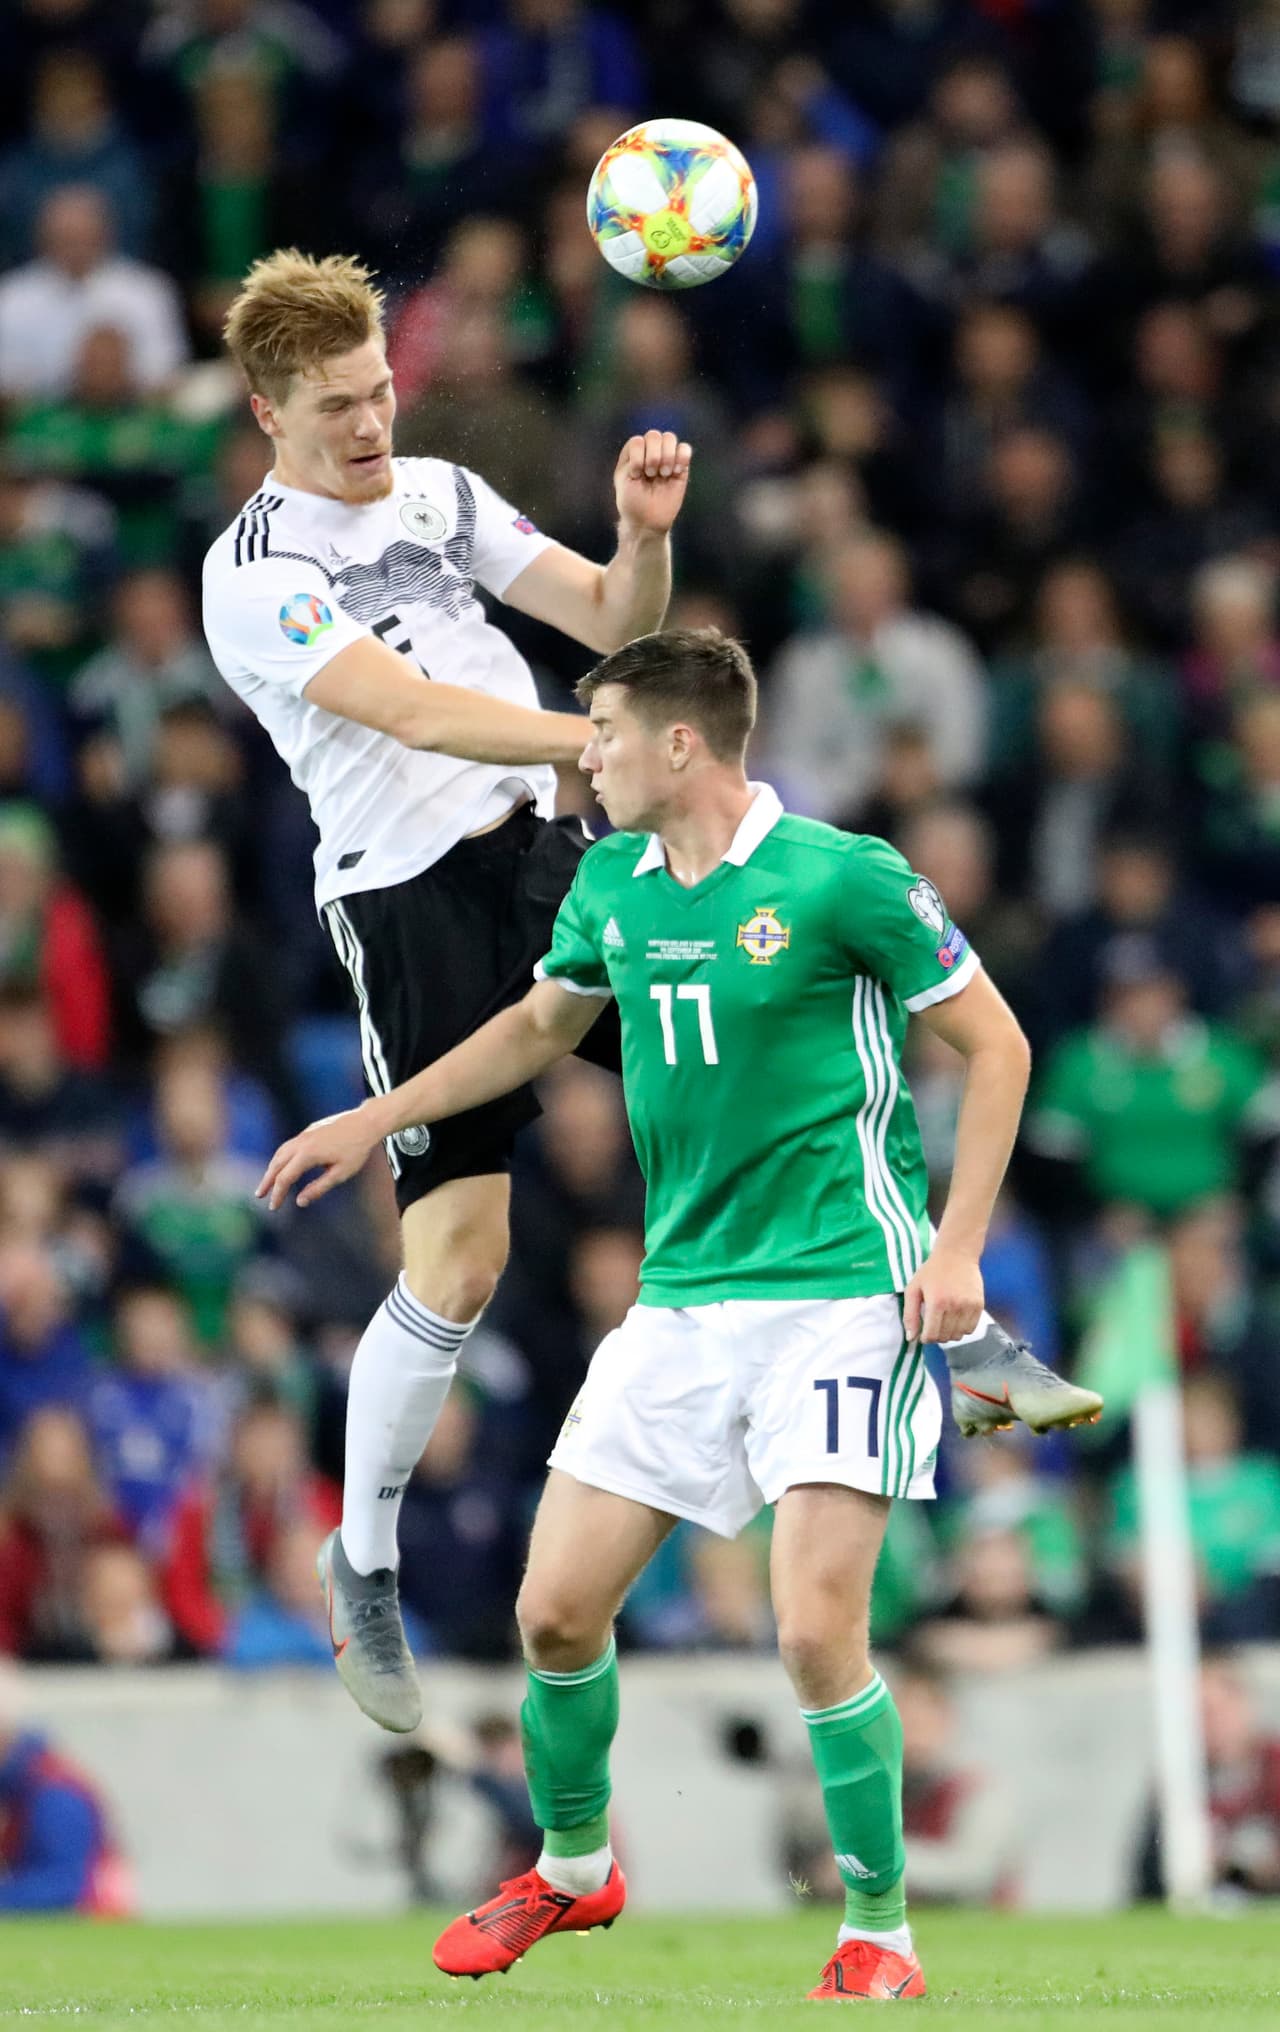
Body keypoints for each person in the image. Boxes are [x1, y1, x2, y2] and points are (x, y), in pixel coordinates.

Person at [260, 628, 1101, 2001]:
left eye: (603, 734)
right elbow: (538, 1029)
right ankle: (576, 1870)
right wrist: (378, 1115)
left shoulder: (845, 876)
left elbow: (997, 1044)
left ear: (681, 743)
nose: (583, 756)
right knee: (553, 1615)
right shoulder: (611, 882)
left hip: (844, 1292)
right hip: (681, 1303)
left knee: (815, 1629)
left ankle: (878, 1933)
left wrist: (958, 1250)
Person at [202, 248, 689, 1734]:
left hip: (539, 855)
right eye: (336, 406)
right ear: (268, 410)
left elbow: (611, 617)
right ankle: (362, 1561)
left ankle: (933, 1301)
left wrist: (640, 535)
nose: (370, 425)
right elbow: (409, 710)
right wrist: (588, 740)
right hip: (403, 900)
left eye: (380, 393)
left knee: (728, 1046)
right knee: (463, 1263)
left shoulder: (439, 494)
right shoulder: (254, 574)